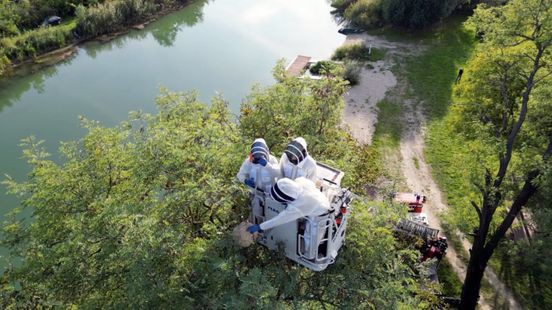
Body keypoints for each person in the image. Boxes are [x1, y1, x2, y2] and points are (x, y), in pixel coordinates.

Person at [247, 177, 330, 233]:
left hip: (320, 212)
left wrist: (260, 227)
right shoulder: (300, 181)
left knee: (310, 235)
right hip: (320, 197)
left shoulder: (298, 206)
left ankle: (309, 254)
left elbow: (279, 220)